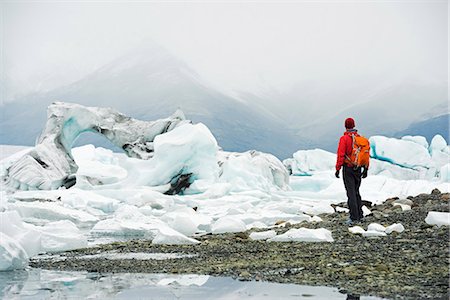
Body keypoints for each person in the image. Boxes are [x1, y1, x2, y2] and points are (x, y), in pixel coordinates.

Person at [335, 117, 368, 225]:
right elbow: (366, 154)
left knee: (351, 193)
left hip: (348, 168)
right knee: (356, 191)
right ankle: (360, 215)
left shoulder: (344, 139)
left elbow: (341, 154)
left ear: (345, 126)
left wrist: (338, 168)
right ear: (353, 125)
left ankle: (354, 218)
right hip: (358, 168)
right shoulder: (360, 139)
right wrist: (366, 169)